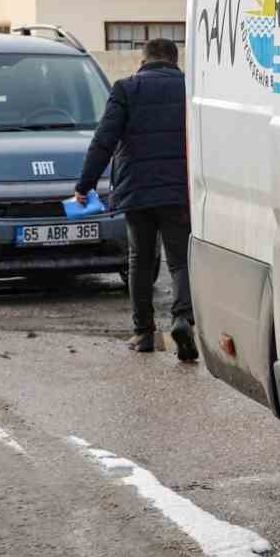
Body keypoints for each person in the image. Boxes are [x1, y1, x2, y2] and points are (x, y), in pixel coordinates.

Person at [75, 37, 197, 363]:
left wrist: (85, 184)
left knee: (140, 260)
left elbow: (104, 140)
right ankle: (183, 319)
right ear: (175, 60)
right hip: (178, 190)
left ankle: (143, 333)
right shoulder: (189, 88)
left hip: (136, 190)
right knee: (181, 260)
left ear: (142, 61)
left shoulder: (126, 89)